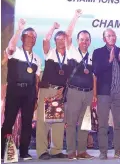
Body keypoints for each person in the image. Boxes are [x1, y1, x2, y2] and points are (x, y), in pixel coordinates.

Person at [36, 9, 81, 160]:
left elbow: (69, 33)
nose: (62, 41)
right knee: (43, 121)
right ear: (55, 41)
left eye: (64, 39)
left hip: (60, 92)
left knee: (58, 122)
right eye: (59, 39)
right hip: (47, 89)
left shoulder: (70, 55)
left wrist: (75, 17)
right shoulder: (49, 53)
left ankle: (56, 150)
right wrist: (53, 28)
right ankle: (42, 151)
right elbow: (45, 40)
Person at [1, 19, 41, 160]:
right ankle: (3, 151)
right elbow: (11, 45)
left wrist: (36, 97)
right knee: (9, 121)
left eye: (33, 37)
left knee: (27, 123)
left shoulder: (37, 59)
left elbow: (36, 81)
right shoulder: (15, 51)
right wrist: (19, 29)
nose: (31, 39)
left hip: (29, 93)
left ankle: (24, 152)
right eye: (28, 36)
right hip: (14, 91)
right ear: (23, 38)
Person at [92, 28, 120, 160]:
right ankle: (103, 151)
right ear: (104, 39)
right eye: (109, 36)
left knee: (119, 123)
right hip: (104, 93)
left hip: (119, 92)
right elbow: (96, 70)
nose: (112, 37)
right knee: (103, 124)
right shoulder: (98, 52)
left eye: (113, 35)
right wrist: (109, 60)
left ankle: (118, 150)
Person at [64, 10, 95, 159]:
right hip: (74, 92)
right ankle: (71, 151)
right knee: (71, 123)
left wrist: (94, 94)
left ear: (90, 42)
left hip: (88, 93)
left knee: (85, 123)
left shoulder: (92, 56)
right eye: (82, 39)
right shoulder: (71, 51)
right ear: (77, 41)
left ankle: (82, 151)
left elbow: (94, 76)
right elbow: (68, 34)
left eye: (87, 39)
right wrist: (75, 17)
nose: (85, 42)